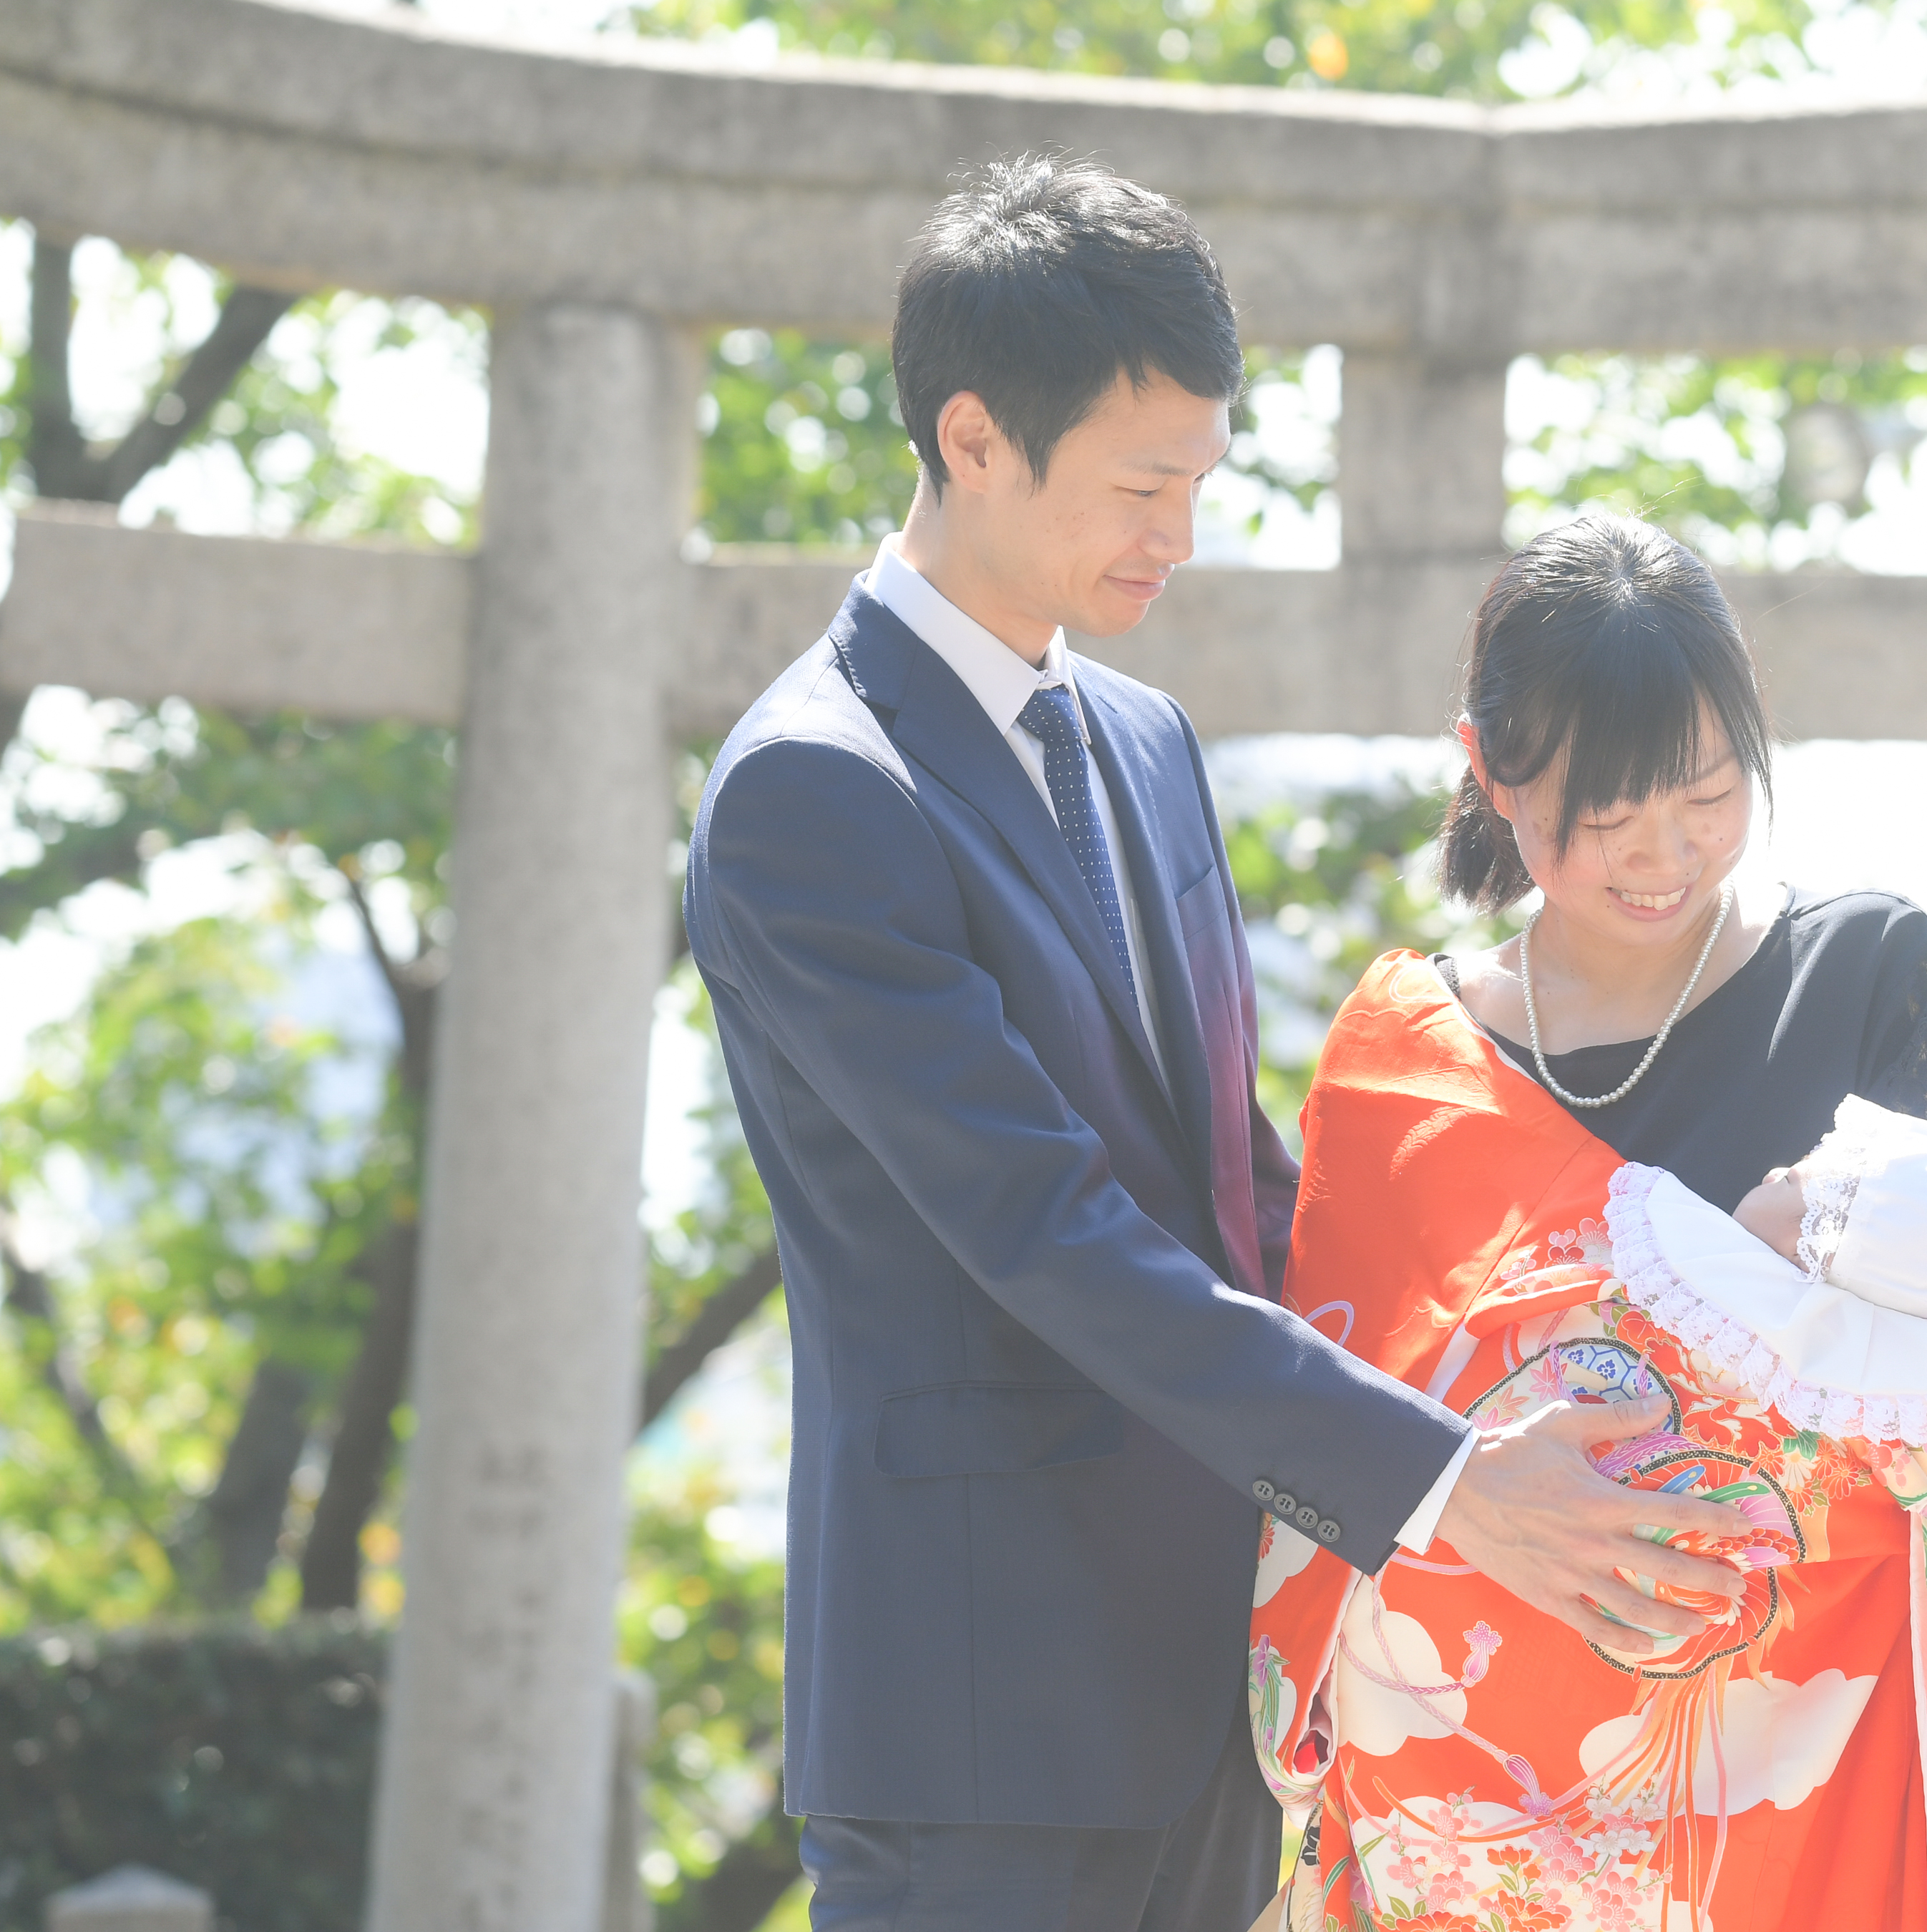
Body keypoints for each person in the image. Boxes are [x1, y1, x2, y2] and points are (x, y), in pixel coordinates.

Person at [683, 167, 1745, 1931]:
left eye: (1199, 480)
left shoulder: (1145, 737)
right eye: (1140, 483)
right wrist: (1447, 1485)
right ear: (971, 437)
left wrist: (1541, 1353)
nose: (1175, 531)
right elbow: (1051, 1235)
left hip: (1220, 1687)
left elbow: (1237, 1184)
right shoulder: (816, 789)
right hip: (983, 1728)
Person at [1244, 518, 1927, 1928]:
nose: (1665, 856)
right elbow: (1320, 1435)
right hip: (1492, 1821)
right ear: (1491, 774)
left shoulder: (1869, 973)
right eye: (1606, 815)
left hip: (1837, 1781)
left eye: (1707, 796)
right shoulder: (1410, 1060)